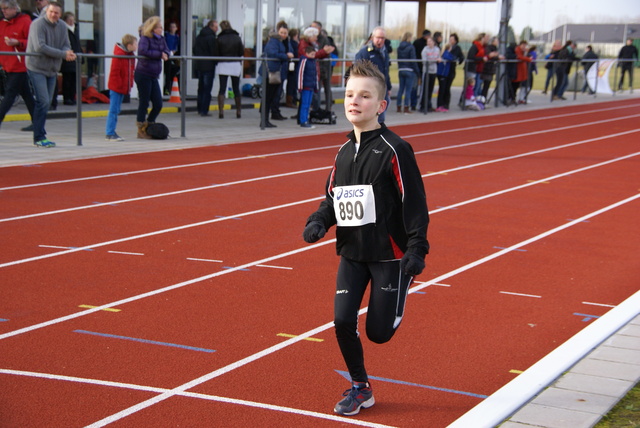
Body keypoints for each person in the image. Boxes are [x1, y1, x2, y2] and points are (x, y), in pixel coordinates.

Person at [303, 59, 429, 417]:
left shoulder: (395, 149)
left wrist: (417, 249)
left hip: (390, 256)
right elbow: (332, 198)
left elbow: (415, 202)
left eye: (364, 96)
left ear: (381, 105)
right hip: (353, 252)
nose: (354, 101)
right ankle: (361, 388)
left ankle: (405, 280)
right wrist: (318, 222)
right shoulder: (344, 152)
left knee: (378, 333)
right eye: (349, 94)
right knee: (342, 321)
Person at [25, 1, 75, 148]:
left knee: (45, 103)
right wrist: (63, 54)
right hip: (36, 67)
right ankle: (39, 136)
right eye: (51, 12)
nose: (53, 15)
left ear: (60, 14)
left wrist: (68, 52)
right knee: (43, 101)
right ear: (46, 11)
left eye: (57, 13)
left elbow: (66, 44)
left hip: (52, 69)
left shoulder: (61, 26)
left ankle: (40, 132)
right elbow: (40, 47)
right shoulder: (37, 24)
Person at [0, 0, 35, 131]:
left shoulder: (25, 21)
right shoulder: (2, 23)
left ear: (15, 9)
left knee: (9, 94)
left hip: (20, 65)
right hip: (7, 64)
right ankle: (37, 122)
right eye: (2, 8)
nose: (4, 11)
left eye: (6, 8)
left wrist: (18, 42)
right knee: (26, 94)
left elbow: (32, 42)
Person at [134, 15, 169, 139]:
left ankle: (149, 124)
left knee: (158, 103)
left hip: (154, 74)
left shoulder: (161, 39)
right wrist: (160, 54)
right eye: (159, 27)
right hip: (143, 73)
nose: (161, 29)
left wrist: (166, 54)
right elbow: (143, 52)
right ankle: (141, 128)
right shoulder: (145, 38)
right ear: (153, 28)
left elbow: (167, 50)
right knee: (144, 101)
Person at [355, 27, 391, 123]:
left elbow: (386, 70)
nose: (380, 40)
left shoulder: (385, 52)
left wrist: (389, 87)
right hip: (370, 89)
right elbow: (358, 72)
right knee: (371, 117)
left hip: (382, 88)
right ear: (372, 38)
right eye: (378, 37)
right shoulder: (365, 53)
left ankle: (378, 134)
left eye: (383, 38)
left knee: (381, 115)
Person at [105, 33, 137, 141]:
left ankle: (111, 131)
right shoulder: (119, 55)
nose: (137, 45)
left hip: (122, 87)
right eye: (135, 43)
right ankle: (109, 133)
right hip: (117, 87)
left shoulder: (130, 56)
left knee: (116, 109)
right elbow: (115, 72)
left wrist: (129, 85)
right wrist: (120, 86)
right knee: (113, 109)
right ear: (129, 45)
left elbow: (131, 72)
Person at [260, 27, 293, 128]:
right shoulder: (274, 42)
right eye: (281, 33)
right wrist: (286, 56)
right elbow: (272, 54)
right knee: (268, 97)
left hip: (275, 71)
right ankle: (264, 121)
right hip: (271, 72)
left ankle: (265, 120)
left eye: (285, 33)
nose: (283, 35)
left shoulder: (278, 41)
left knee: (270, 97)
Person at [214, 20, 244, 119]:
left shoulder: (219, 38)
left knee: (222, 88)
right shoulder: (237, 37)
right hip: (235, 63)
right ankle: (238, 111)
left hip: (223, 63)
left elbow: (217, 52)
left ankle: (221, 111)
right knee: (236, 88)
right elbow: (241, 52)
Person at [193, 19, 217, 117]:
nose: (217, 29)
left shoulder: (199, 36)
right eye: (216, 26)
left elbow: (194, 49)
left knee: (201, 88)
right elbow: (213, 51)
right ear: (211, 26)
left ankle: (199, 108)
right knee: (207, 89)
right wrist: (215, 61)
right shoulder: (211, 37)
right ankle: (204, 110)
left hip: (199, 64)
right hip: (208, 65)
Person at [310, 21, 336, 112]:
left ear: (319, 29)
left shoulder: (324, 39)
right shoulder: (311, 39)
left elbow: (325, 53)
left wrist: (323, 68)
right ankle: (316, 108)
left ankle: (328, 108)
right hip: (315, 67)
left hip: (324, 67)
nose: (311, 29)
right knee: (316, 88)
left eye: (314, 27)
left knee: (326, 87)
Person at [59, 11, 81, 105]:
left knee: (74, 80)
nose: (72, 22)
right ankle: (67, 98)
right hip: (67, 58)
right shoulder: (63, 30)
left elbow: (78, 44)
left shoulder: (75, 30)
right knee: (67, 79)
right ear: (65, 20)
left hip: (75, 57)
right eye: (69, 20)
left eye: (73, 20)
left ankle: (72, 97)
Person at [396, 31, 419, 114]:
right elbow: (413, 60)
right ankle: (406, 107)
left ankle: (398, 106)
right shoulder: (411, 47)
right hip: (409, 69)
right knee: (408, 90)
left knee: (401, 89)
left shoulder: (399, 47)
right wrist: (417, 71)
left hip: (401, 69)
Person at [440, 33, 464, 111]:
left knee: (447, 87)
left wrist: (458, 60)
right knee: (443, 87)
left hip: (451, 70)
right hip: (444, 69)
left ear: (455, 40)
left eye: (452, 39)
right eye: (450, 39)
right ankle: (442, 104)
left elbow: (460, 57)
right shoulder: (447, 47)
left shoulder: (457, 48)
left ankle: (446, 104)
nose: (450, 41)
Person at [297, 45, 317, 129]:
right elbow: (300, 74)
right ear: (307, 53)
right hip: (305, 86)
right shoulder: (304, 60)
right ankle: (303, 121)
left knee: (308, 105)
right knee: (304, 104)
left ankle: (306, 119)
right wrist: (300, 86)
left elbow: (315, 75)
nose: (313, 56)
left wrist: (315, 86)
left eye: (314, 54)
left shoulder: (313, 62)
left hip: (311, 86)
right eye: (312, 54)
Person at [410, 29, 430, 110]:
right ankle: (414, 104)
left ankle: (418, 104)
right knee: (415, 87)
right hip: (418, 67)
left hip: (421, 67)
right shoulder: (418, 43)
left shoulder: (418, 43)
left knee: (419, 87)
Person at [420, 36, 440, 113]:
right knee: (425, 89)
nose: (429, 43)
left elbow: (438, 58)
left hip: (433, 71)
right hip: (426, 72)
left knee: (430, 89)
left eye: (430, 41)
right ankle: (422, 105)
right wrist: (434, 60)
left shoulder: (437, 49)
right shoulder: (425, 50)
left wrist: (437, 60)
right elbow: (425, 61)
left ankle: (429, 105)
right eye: (428, 41)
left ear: (433, 42)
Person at [435, 44, 455, 112]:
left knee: (443, 89)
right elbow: (449, 58)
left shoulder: (448, 53)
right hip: (442, 74)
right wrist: (453, 58)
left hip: (445, 74)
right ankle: (439, 105)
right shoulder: (446, 53)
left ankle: (442, 105)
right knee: (442, 89)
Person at [512, 40, 532, 104]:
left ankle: (521, 98)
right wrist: (528, 59)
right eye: (523, 45)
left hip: (522, 70)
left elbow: (524, 57)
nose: (524, 47)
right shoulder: (517, 50)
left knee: (523, 84)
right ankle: (516, 98)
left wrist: (526, 54)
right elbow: (520, 57)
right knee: (516, 85)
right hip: (518, 70)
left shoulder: (523, 51)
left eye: (525, 45)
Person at [162, 22, 179, 95]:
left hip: (174, 56)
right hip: (167, 56)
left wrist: (174, 52)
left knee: (176, 70)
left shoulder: (177, 37)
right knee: (167, 72)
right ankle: (166, 89)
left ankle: (173, 87)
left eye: (174, 27)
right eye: (171, 27)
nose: (172, 28)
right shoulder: (166, 35)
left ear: (176, 28)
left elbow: (177, 46)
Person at [285, 27, 299, 109]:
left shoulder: (291, 43)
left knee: (292, 83)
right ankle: (290, 100)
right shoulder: (293, 43)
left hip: (293, 66)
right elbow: (296, 53)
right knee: (292, 83)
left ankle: (292, 99)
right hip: (293, 66)